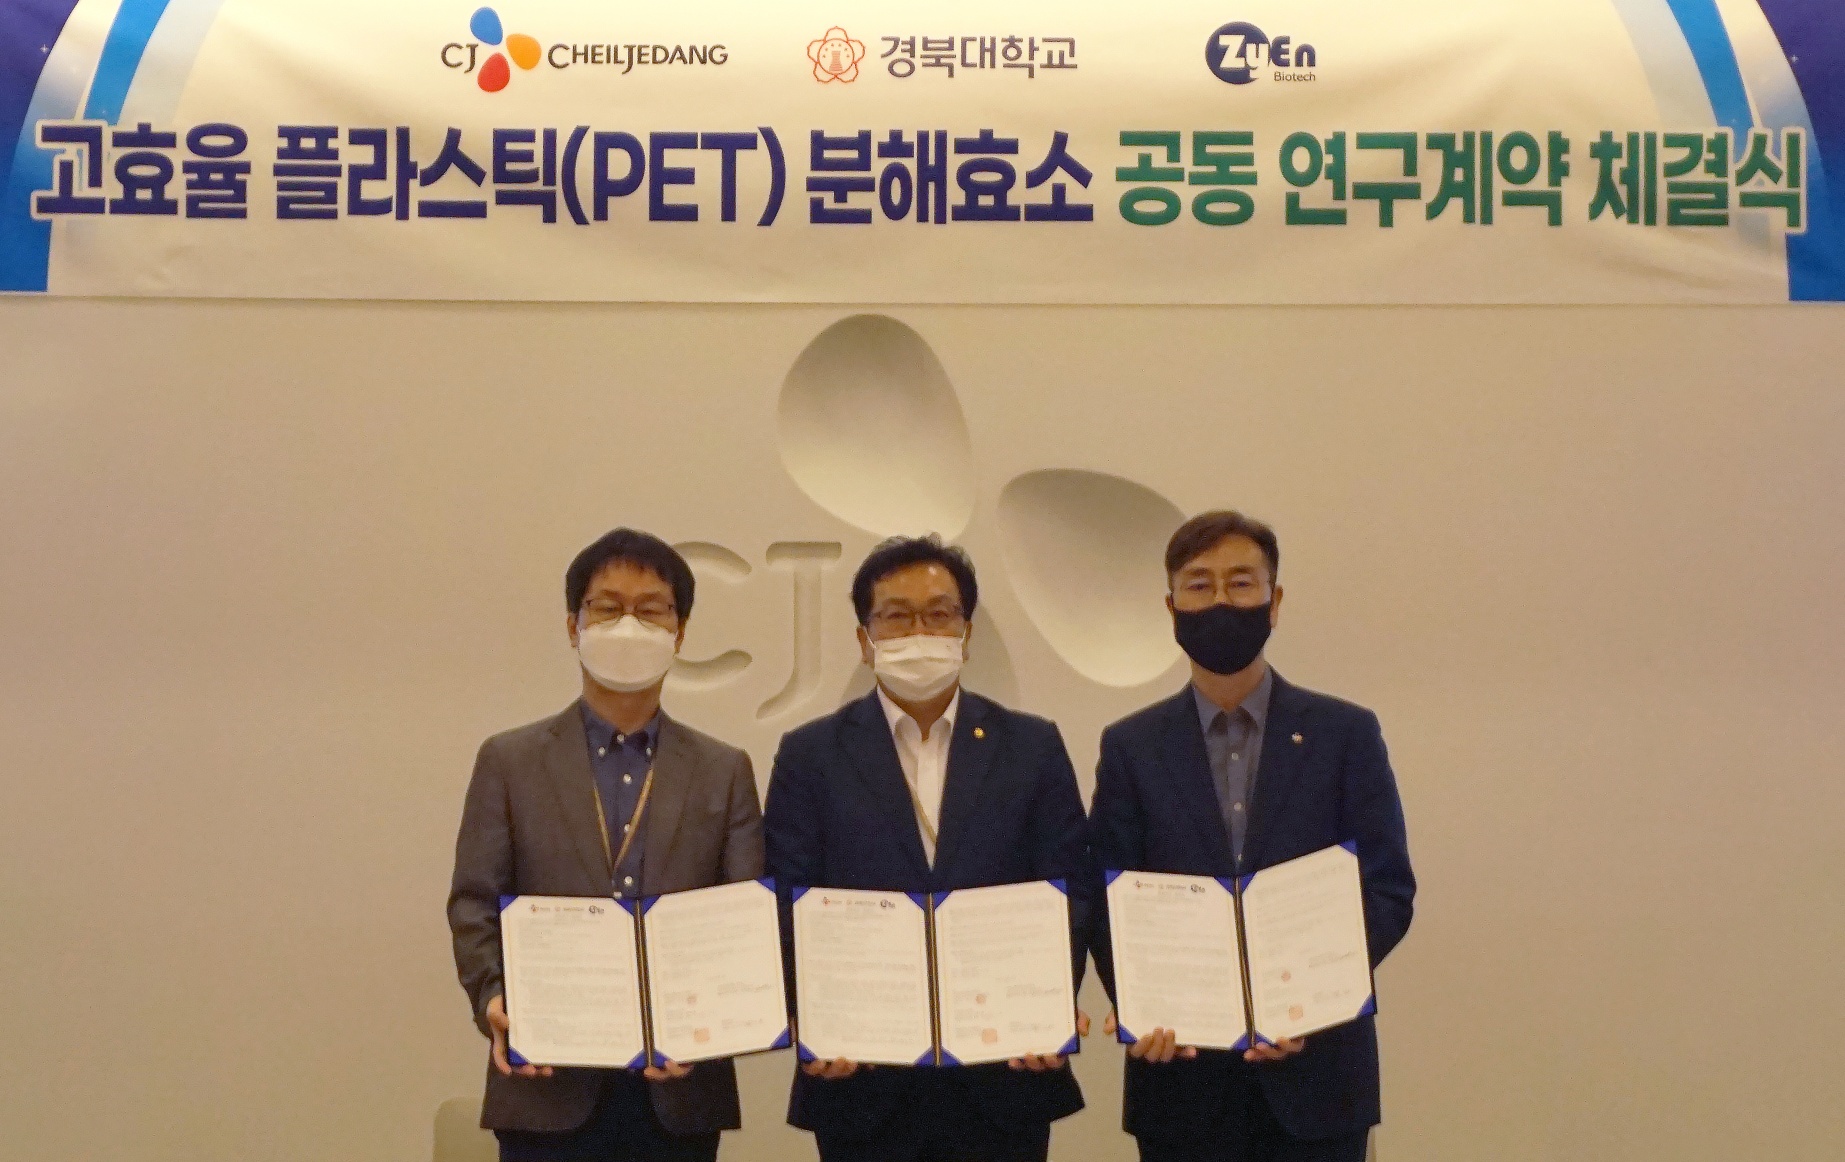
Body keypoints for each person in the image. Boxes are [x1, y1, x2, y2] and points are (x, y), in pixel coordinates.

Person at [1090, 511, 1415, 1162]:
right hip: (1181, 1080)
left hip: (1318, 1077)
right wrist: (1142, 1004)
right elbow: (1106, 899)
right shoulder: (1131, 746)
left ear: (1275, 601)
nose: (1220, 601)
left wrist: (1306, 1000)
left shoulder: (1345, 734)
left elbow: (1386, 889)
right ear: (1171, 607)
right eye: (1199, 585)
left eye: (1240, 583)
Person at [763, 535, 1092, 1162]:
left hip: (1004, 1074)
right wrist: (814, 1015)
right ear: (865, 638)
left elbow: (1070, 888)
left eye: (939, 614)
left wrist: (1046, 1005)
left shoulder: (1031, 746)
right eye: (896, 616)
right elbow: (785, 895)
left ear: (966, 633)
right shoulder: (810, 754)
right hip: (861, 1078)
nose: (920, 632)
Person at [448, 528, 764, 1162]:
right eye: (607, 607)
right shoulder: (509, 761)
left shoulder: (724, 770)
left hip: (678, 1093)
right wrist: (493, 998)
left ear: (680, 632)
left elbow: (745, 918)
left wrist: (711, 1023)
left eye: (651, 610)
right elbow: (473, 903)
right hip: (545, 1086)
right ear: (574, 626)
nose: (629, 625)